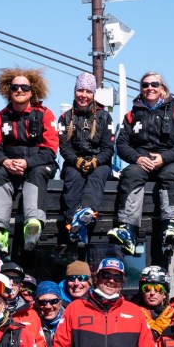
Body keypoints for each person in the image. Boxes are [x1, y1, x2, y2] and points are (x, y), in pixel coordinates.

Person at [109, 71, 174, 254]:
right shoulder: (131, 115)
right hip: (143, 163)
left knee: (169, 174)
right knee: (130, 173)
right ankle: (128, 230)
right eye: (145, 85)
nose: (150, 88)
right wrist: (137, 158)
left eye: (154, 84)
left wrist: (164, 158)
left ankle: (172, 226)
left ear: (162, 88)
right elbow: (121, 144)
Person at [0, 68, 58, 253]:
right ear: (8, 91)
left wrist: (28, 163)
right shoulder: (0, 117)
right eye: (15, 87)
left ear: (32, 92)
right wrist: (5, 162)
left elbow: (50, 150)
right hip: (8, 165)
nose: (19, 90)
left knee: (37, 172)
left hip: (38, 165)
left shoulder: (45, 114)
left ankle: (33, 225)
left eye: (24, 87)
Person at [58, 72, 115, 248]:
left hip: (99, 163)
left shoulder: (104, 116)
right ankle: (73, 223)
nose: (84, 95)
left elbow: (108, 148)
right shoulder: (65, 117)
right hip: (74, 163)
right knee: (73, 178)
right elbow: (64, 147)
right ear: (75, 91)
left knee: (97, 177)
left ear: (93, 94)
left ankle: (86, 211)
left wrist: (95, 161)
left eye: (88, 91)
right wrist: (77, 161)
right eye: (80, 90)